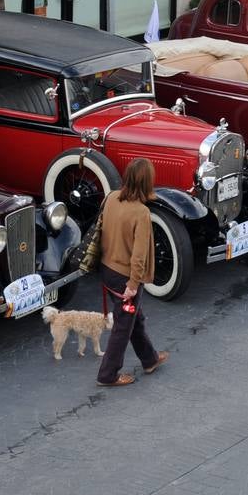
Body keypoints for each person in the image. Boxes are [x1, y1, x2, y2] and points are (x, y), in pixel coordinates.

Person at [95, 157, 168, 386]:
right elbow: (139, 255)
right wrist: (133, 284)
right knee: (123, 326)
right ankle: (107, 375)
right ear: (148, 182)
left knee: (132, 318)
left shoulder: (111, 198)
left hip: (107, 269)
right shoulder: (141, 212)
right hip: (126, 278)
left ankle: (150, 359)